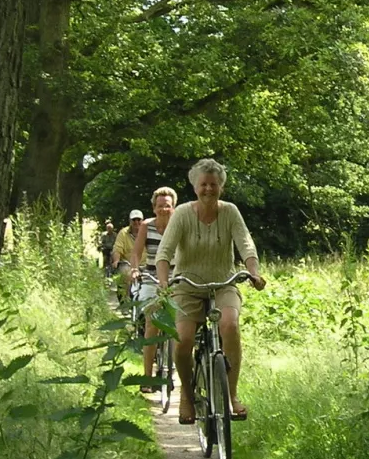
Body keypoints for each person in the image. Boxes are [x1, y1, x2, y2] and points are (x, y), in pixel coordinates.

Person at [155, 159, 265, 423]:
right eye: (203, 184)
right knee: (182, 341)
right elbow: (164, 252)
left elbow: (246, 245)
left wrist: (254, 272)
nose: (208, 189)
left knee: (230, 325)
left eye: (213, 185)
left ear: (221, 188)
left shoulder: (230, 212)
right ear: (195, 187)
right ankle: (187, 396)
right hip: (187, 285)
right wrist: (163, 282)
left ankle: (232, 394)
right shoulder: (182, 213)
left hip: (222, 282)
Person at [133, 187, 177, 394]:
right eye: (160, 206)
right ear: (154, 207)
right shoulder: (146, 226)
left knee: (181, 324)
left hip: (177, 277)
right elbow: (136, 252)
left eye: (167, 206)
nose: (163, 210)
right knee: (152, 324)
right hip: (151, 277)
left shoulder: (180, 224)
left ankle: (174, 370)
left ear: (173, 207)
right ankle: (147, 377)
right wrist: (134, 269)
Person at [111, 210, 143, 301]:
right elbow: (117, 248)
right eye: (134, 220)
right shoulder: (123, 233)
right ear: (130, 221)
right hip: (128, 264)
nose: (136, 222)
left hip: (145, 264)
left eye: (138, 219)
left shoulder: (147, 232)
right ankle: (125, 301)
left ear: (142, 220)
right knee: (125, 274)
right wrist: (116, 260)